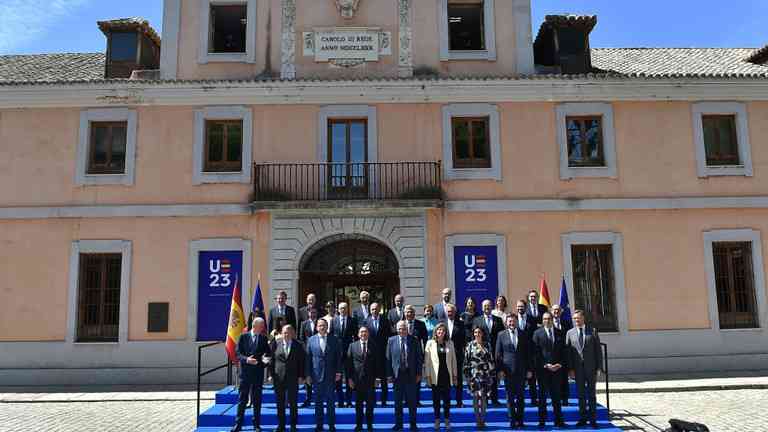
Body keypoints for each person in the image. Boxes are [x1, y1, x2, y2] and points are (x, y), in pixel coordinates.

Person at [566, 310, 604, 429]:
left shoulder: (592, 331)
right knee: (581, 395)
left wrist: (599, 368)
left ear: (583, 318)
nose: (576, 320)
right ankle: (583, 418)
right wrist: (570, 369)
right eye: (574, 319)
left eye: (578, 318)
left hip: (591, 369)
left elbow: (598, 351)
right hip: (577, 370)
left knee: (592, 394)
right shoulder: (570, 333)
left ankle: (593, 419)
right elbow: (568, 354)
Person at [231, 317, 269, 432]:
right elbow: (237, 353)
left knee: (257, 400)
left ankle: (256, 424)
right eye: (261, 326)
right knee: (242, 399)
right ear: (255, 326)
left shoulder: (263, 338)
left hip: (257, 373)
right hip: (246, 373)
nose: (263, 328)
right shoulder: (243, 337)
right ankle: (238, 423)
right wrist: (247, 359)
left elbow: (267, 353)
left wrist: (266, 360)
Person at [305, 318, 343, 432]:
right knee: (318, 403)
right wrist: (307, 375)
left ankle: (331, 425)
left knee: (331, 402)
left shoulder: (334, 340)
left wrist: (338, 372)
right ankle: (319, 425)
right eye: (320, 325)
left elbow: (338, 358)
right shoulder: (311, 340)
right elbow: (308, 359)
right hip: (316, 376)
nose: (322, 327)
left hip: (330, 375)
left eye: (324, 325)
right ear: (316, 327)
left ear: (327, 327)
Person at [495, 314, 532, 429]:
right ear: (506, 323)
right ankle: (512, 421)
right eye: (509, 321)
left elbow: (528, 354)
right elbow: (498, 354)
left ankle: (520, 420)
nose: (511, 323)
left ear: (516, 322)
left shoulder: (523, 334)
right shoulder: (501, 335)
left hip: (521, 371)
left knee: (521, 397)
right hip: (507, 371)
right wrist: (500, 370)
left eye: (513, 321)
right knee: (509, 398)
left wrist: (529, 370)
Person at [386, 320, 424, 432]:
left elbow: (419, 358)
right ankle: (399, 424)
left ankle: (413, 424)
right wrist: (389, 375)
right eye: (399, 328)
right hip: (397, 376)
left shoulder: (414, 340)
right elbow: (388, 359)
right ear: (396, 329)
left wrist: (419, 373)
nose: (401, 330)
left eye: (403, 328)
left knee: (412, 402)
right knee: (398, 403)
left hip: (411, 375)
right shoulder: (391, 340)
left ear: (407, 329)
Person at [532, 312, 566, 428]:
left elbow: (564, 351)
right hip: (543, 371)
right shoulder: (537, 333)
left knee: (556, 396)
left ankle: (558, 420)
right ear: (542, 320)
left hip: (557, 370)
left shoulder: (560, 332)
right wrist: (545, 365)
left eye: (548, 319)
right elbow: (535, 353)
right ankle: (542, 420)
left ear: (552, 319)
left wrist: (559, 364)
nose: (546, 321)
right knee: (542, 397)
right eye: (544, 319)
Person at [269, 325, 305, 432]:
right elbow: (272, 360)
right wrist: (270, 375)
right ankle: (281, 425)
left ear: (292, 333)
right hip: (278, 377)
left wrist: (301, 376)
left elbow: (301, 362)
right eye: (284, 332)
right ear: (281, 333)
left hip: (293, 378)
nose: (286, 334)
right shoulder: (275, 344)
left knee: (293, 403)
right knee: (280, 403)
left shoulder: (298, 345)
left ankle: (293, 425)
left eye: (288, 333)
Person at [423, 322, 458, 431]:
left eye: (443, 330)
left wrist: (455, 375)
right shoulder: (430, 343)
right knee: (436, 400)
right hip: (435, 377)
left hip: (447, 376)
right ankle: (437, 420)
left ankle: (447, 420)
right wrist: (428, 376)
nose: (440, 332)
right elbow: (427, 362)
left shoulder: (450, 343)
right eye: (439, 330)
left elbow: (453, 361)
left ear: (445, 332)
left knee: (447, 400)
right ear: (435, 331)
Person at [472, 299, 504, 406]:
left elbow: (502, 336)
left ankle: (494, 399)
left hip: (495, 351)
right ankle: (484, 399)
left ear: (492, 307)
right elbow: (474, 336)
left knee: (493, 376)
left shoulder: (498, 320)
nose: (487, 307)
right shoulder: (477, 320)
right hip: (482, 353)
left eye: (489, 305)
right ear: (482, 308)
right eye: (485, 306)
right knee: (483, 376)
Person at [347, 326, 379, 432]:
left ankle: (369, 425)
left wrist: (377, 378)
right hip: (357, 381)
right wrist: (350, 379)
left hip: (370, 381)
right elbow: (348, 364)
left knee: (370, 405)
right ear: (358, 334)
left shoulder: (374, 346)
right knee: (359, 405)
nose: (363, 334)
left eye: (365, 332)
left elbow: (377, 364)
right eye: (361, 332)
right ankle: (359, 425)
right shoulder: (352, 346)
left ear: (368, 334)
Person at [463, 327, 495, 430]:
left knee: (484, 398)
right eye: (475, 332)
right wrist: (467, 377)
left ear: (482, 333)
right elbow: (466, 361)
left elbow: (491, 360)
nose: (477, 334)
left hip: (485, 375)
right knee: (476, 398)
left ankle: (483, 420)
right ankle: (477, 421)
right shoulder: (469, 345)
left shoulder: (487, 345)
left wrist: (492, 375)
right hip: (474, 375)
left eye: (479, 332)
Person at [365, 302, 391, 406]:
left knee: (383, 379)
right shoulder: (366, 321)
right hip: (370, 354)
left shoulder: (385, 320)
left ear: (379, 309)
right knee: (371, 379)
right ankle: (372, 400)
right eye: (372, 309)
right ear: (370, 310)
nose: (374, 311)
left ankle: (384, 401)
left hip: (383, 354)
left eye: (376, 309)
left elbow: (389, 336)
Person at [332, 302, 356, 407]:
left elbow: (356, 336)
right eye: (341, 308)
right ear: (338, 309)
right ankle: (341, 400)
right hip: (337, 353)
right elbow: (331, 336)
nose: (343, 310)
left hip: (349, 353)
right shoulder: (334, 320)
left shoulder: (352, 320)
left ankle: (349, 400)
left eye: (345, 308)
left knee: (349, 377)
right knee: (338, 377)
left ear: (348, 309)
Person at [442, 303, 466, 408]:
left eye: (452, 312)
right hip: (444, 354)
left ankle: (459, 401)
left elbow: (464, 340)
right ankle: (446, 401)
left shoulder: (461, 324)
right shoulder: (441, 324)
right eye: (448, 312)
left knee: (458, 379)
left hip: (457, 355)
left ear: (455, 312)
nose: (450, 313)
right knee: (445, 379)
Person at [515, 299, 538, 406]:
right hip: (517, 353)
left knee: (531, 377)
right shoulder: (513, 319)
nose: (520, 308)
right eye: (518, 307)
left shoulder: (532, 319)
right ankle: (520, 400)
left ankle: (534, 399)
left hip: (530, 352)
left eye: (522, 307)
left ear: (525, 307)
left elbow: (535, 334)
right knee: (519, 379)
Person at [551, 304, 573, 406]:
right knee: (553, 379)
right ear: (551, 311)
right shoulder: (548, 323)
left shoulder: (566, 323)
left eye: (558, 310)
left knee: (564, 378)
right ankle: (555, 398)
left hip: (564, 354)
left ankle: (565, 398)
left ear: (561, 312)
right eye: (554, 310)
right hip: (552, 354)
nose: (556, 312)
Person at [299, 307, 319, 408]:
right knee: (308, 376)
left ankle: (317, 399)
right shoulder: (303, 324)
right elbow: (301, 338)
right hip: (307, 354)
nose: (312, 314)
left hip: (317, 354)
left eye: (314, 312)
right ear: (308, 313)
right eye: (311, 312)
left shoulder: (320, 323)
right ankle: (308, 398)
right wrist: (306, 348)